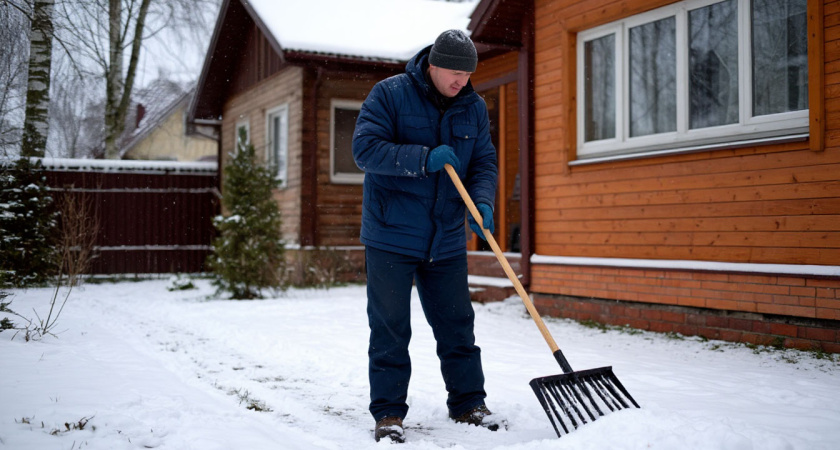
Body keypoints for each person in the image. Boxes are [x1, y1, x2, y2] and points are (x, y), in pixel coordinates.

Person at [352, 29, 501, 443]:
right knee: (390, 329)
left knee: (458, 326)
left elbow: (484, 162)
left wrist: (483, 201)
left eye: (467, 74)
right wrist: (422, 159)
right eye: (454, 72)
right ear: (432, 64)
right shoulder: (390, 94)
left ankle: (469, 402)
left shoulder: (472, 107)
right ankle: (388, 414)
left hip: (446, 237)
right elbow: (364, 149)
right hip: (390, 236)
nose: (461, 82)